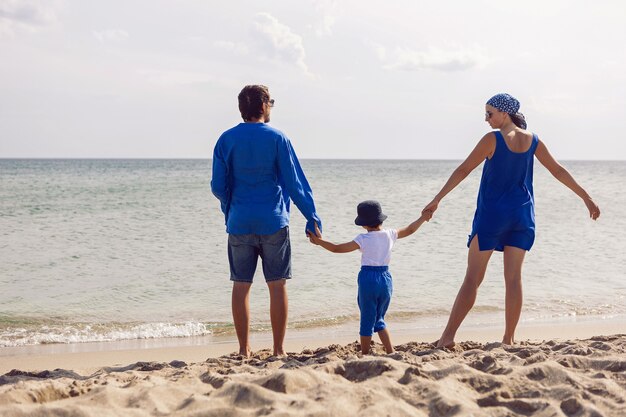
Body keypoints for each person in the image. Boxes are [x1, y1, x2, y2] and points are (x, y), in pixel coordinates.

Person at [422, 93, 600, 348]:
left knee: (472, 279)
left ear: (504, 113)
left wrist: (437, 199)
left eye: (489, 113)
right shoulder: (534, 140)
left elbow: (463, 170)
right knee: (514, 278)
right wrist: (587, 198)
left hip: (493, 216)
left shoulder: (492, 139)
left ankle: (447, 337)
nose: (486, 119)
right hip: (522, 217)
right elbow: (558, 170)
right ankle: (509, 339)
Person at [211, 85, 322, 357]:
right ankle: (279, 350)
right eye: (270, 102)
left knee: (241, 285)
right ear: (263, 106)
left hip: (239, 222)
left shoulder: (226, 140)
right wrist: (312, 216)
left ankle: (243, 349)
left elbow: (217, 185)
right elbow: (295, 184)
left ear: (242, 108)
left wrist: (230, 208)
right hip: (273, 221)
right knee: (277, 285)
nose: (271, 105)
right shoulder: (277, 138)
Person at [308, 200, 431, 354]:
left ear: (363, 224)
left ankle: (365, 353)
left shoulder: (363, 239)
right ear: (380, 219)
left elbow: (336, 249)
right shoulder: (390, 234)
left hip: (368, 279)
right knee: (379, 319)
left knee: (367, 319)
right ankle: (391, 351)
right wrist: (423, 218)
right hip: (386, 280)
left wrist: (319, 241)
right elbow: (411, 229)